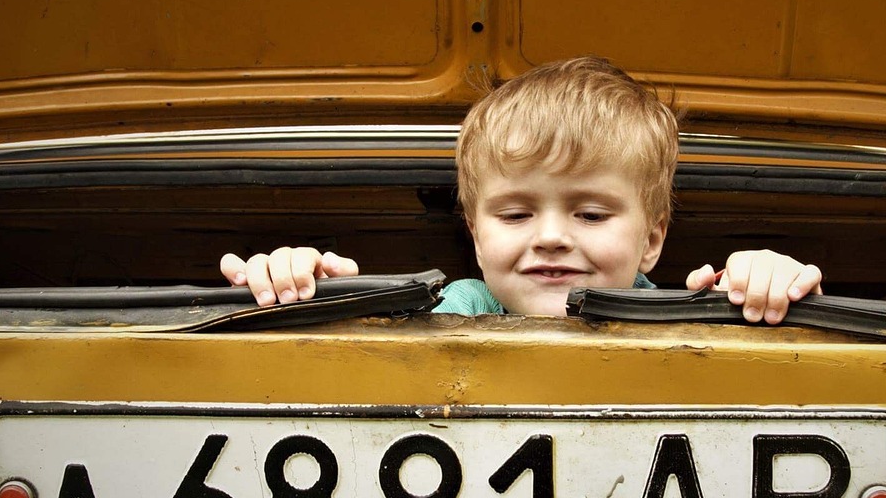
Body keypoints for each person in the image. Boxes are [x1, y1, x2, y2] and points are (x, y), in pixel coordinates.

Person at [220, 56, 822, 323]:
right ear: (476, 238)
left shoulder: (683, 315)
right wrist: (303, 289)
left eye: (589, 213)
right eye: (514, 215)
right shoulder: (449, 313)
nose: (553, 237)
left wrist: (764, 285)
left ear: (652, 241)